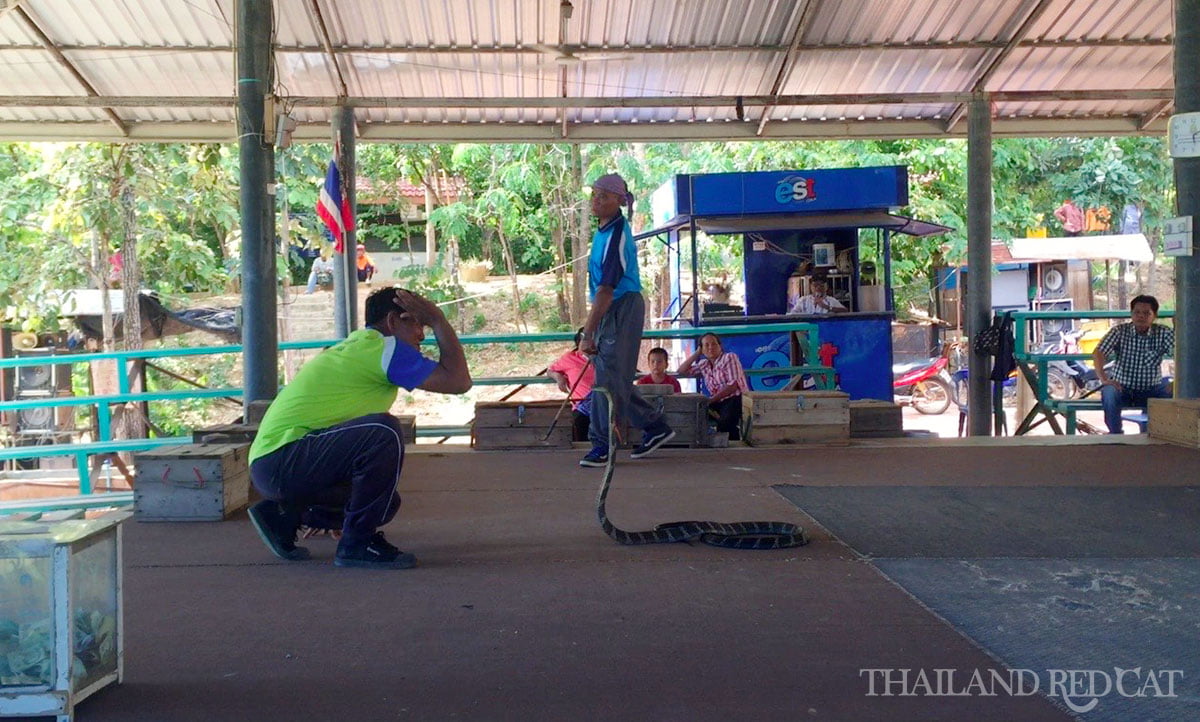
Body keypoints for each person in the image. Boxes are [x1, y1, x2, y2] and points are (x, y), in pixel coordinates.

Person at [247, 287, 472, 569]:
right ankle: (357, 544)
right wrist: (439, 320)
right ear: (392, 322)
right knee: (384, 431)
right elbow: (458, 382)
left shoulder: (360, 346)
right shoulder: (384, 348)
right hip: (282, 458)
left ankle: (283, 514)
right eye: (416, 322)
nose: (422, 335)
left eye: (425, 324)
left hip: (275, 463)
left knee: (385, 503)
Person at [578, 173, 674, 467]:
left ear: (620, 201)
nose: (596, 200)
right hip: (611, 307)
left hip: (622, 306)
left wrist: (589, 332)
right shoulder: (603, 230)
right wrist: (591, 325)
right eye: (595, 194)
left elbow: (606, 289)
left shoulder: (618, 235)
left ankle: (602, 444)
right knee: (613, 375)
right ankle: (655, 426)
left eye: (604, 196)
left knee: (606, 380)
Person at [1092, 294, 1174, 434]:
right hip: (1122, 387)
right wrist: (1104, 379)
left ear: (1154, 315)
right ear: (1131, 314)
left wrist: (1177, 382)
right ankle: (1116, 434)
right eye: (1137, 312)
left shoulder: (1163, 333)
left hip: (1152, 389)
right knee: (1109, 393)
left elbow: (1182, 354)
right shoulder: (1120, 331)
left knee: (1174, 392)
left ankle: (1160, 434)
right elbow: (1098, 352)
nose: (1141, 316)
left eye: (1146, 313)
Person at [677, 332, 749, 440]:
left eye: (714, 344)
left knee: (725, 423)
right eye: (706, 345)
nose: (710, 347)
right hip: (717, 402)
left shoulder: (729, 358)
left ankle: (733, 448)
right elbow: (681, 371)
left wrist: (710, 401)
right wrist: (697, 353)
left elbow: (733, 386)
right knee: (693, 413)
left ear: (720, 346)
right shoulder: (703, 364)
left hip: (735, 399)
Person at [547, 329, 596, 441]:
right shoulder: (570, 358)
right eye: (586, 340)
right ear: (579, 343)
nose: (591, 344)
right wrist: (558, 377)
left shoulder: (604, 358)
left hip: (604, 403)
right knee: (580, 423)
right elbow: (550, 370)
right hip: (581, 406)